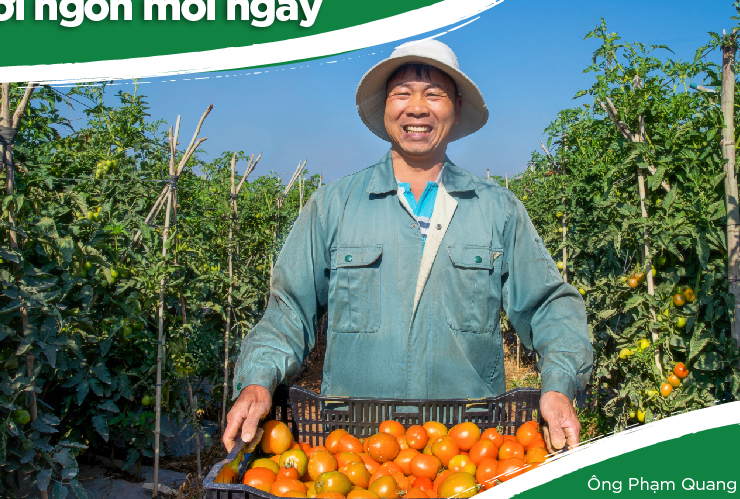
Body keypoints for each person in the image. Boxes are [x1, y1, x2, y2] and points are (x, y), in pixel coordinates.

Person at [221, 39, 593, 454]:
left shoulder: (496, 209)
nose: (417, 108)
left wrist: (559, 385)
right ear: (385, 108)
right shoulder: (335, 205)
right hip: (352, 447)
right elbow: (289, 309)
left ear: (454, 107)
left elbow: (548, 306)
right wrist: (257, 379)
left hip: (470, 449)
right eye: (402, 93)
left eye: (433, 94)